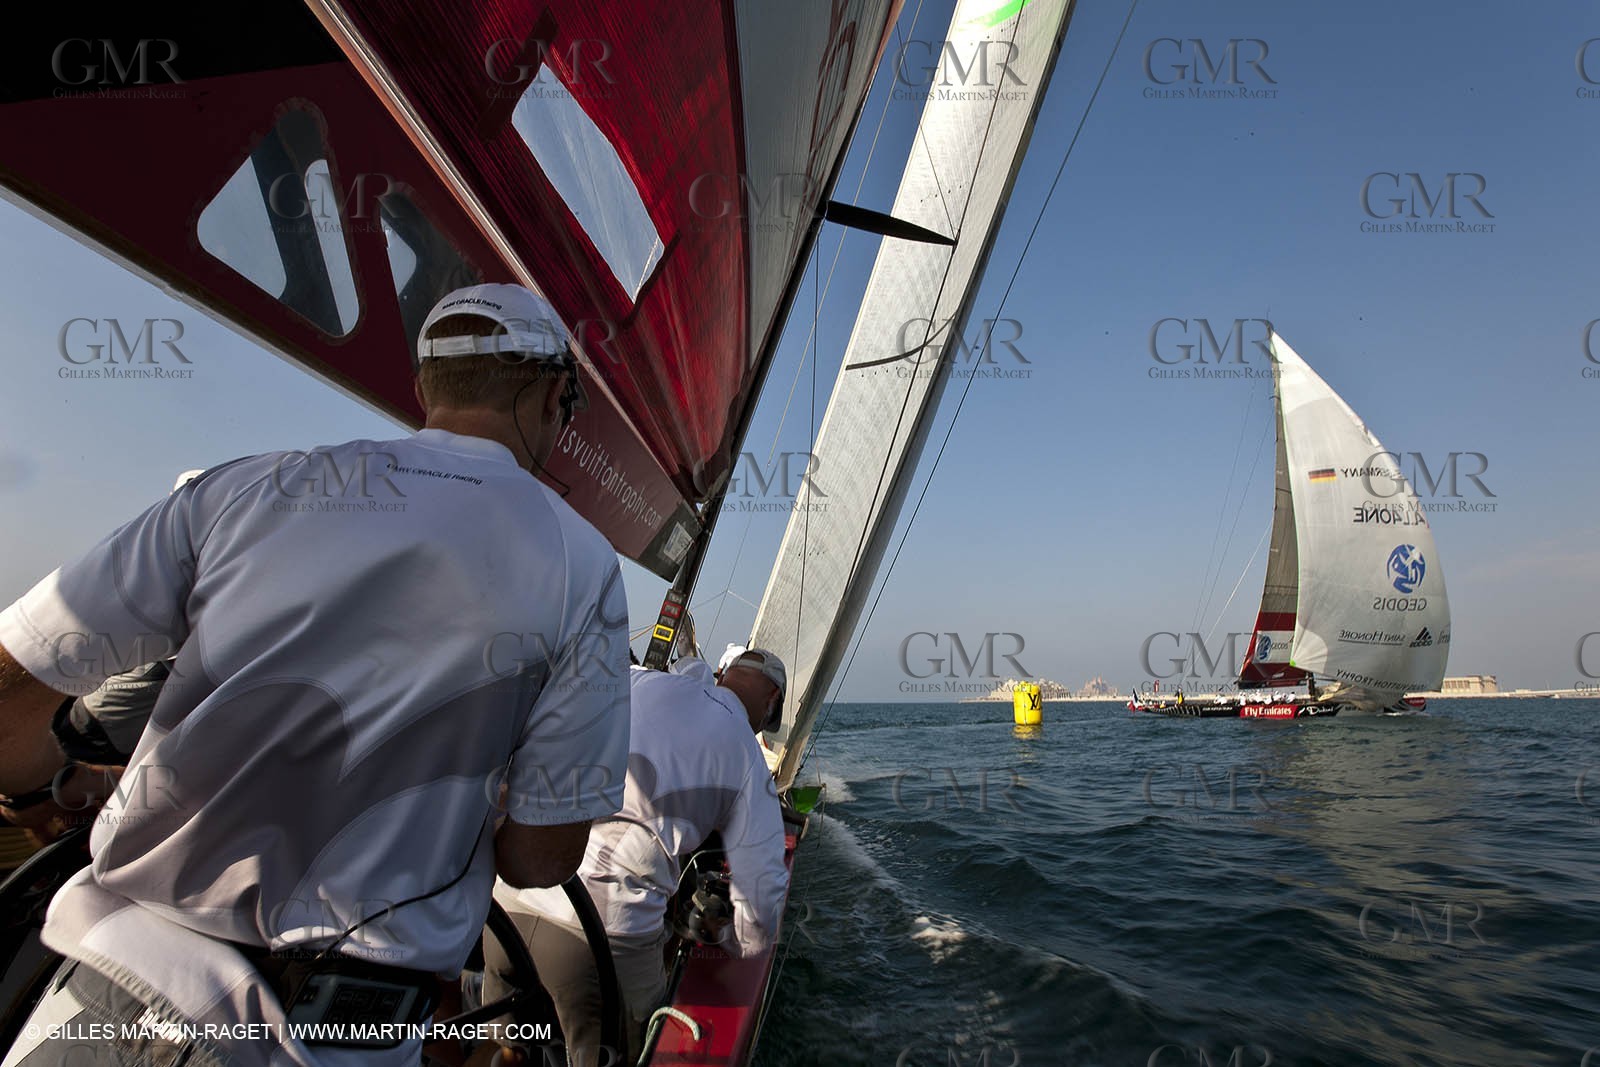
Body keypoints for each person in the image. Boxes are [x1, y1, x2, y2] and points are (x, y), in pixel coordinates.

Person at [0, 283, 630, 1067]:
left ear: (424, 390)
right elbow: (542, 858)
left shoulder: (242, 487)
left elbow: (13, 688)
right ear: (545, 396)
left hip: (108, 993)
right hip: (337, 1035)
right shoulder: (584, 564)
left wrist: (38, 790)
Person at [485, 648, 790, 1065]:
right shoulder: (748, 757)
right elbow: (763, 897)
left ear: (724, 674)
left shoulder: (642, 680)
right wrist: (727, 939)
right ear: (771, 697)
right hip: (599, 941)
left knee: (512, 1047)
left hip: (508, 906)